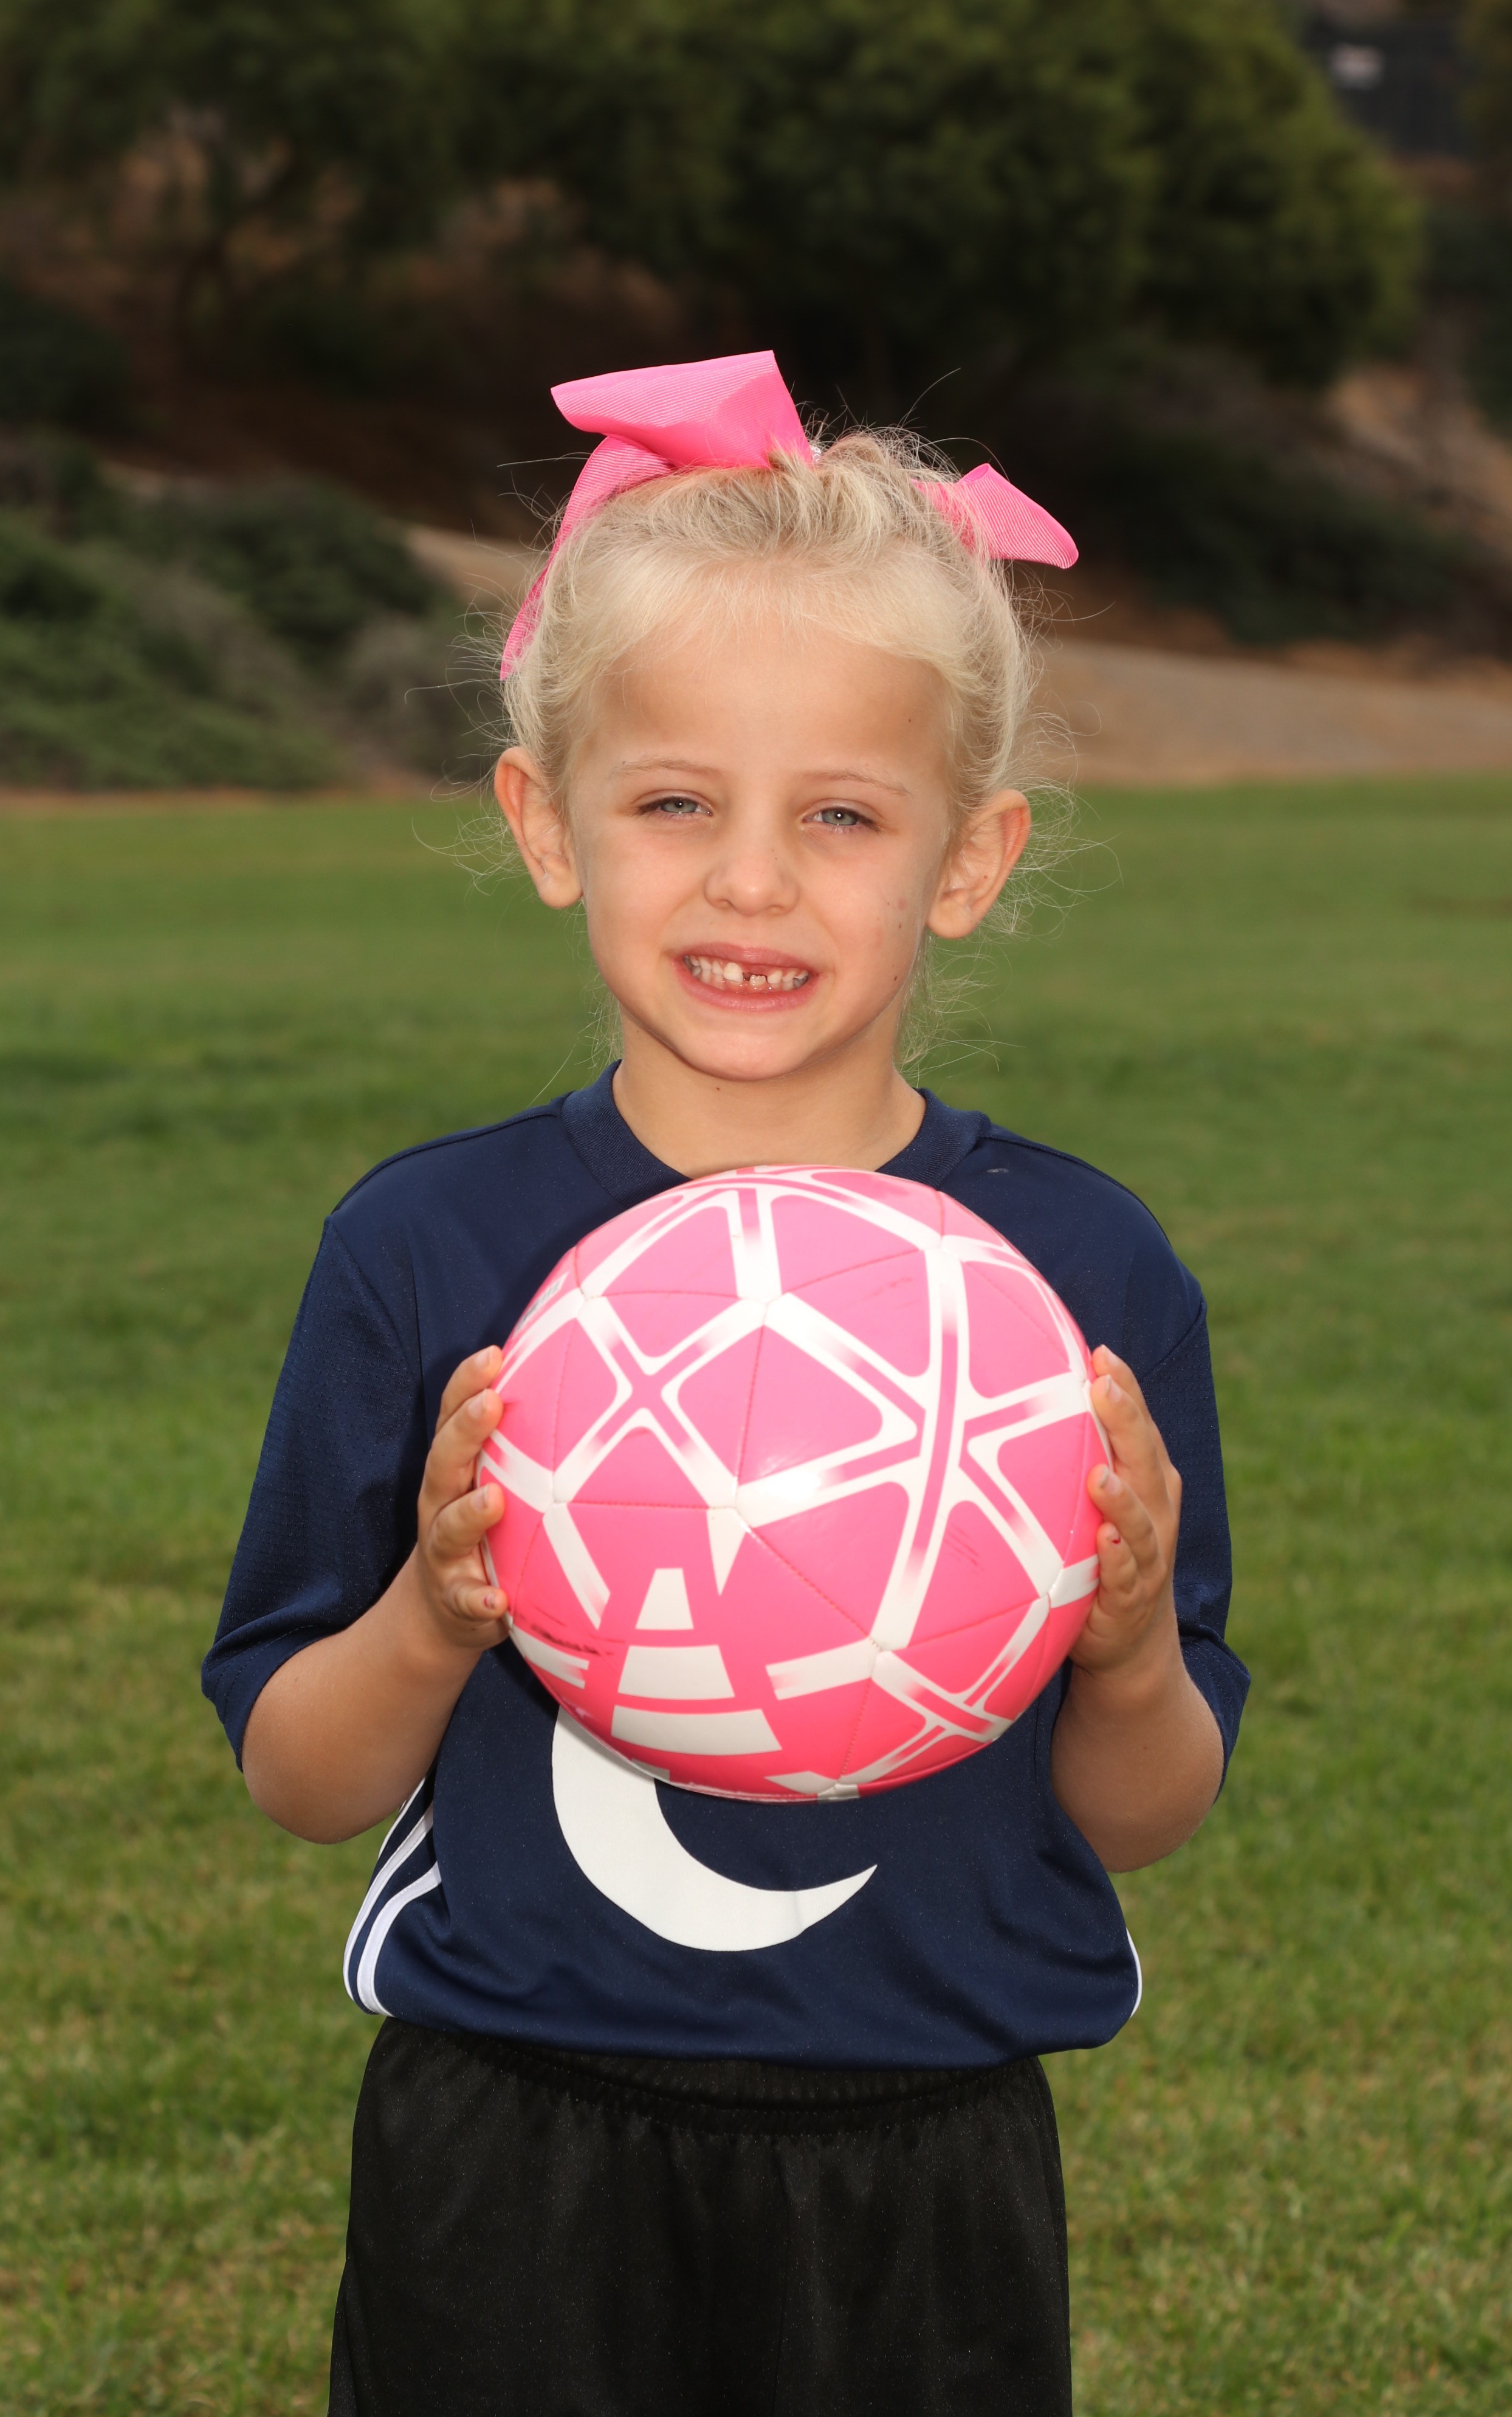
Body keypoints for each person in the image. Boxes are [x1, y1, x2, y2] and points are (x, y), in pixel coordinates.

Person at [202, 352, 1248, 2417]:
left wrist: (1127, 1646)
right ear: (547, 823)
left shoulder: (1083, 1283)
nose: (751, 882)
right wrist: (438, 1608)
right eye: (675, 801)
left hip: (925, 2162)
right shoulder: (426, 1250)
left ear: (969, 858)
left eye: (841, 815)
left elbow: (1148, 1814)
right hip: (516, 2144)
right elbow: (302, 1781)